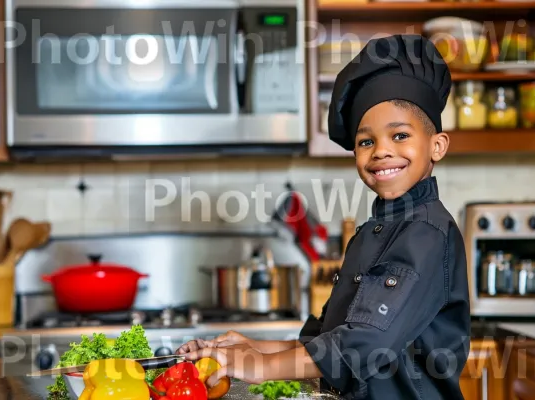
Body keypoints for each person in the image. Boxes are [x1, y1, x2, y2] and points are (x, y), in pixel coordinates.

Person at [177, 34, 471, 399]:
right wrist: (249, 348)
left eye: (399, 135)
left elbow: (365, 343)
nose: (381, 152)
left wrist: (261, 366)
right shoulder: (370, 235)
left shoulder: (425, 232)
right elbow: (324, 343)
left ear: (437, 146)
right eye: (366, 142)